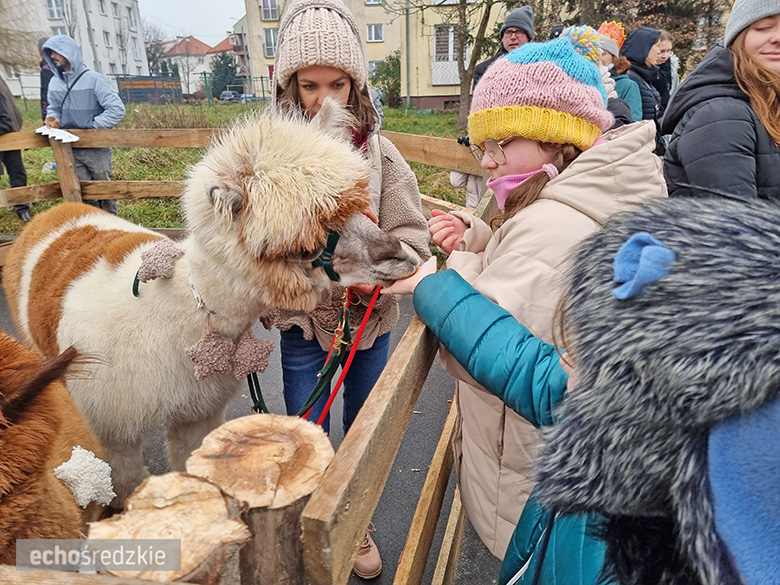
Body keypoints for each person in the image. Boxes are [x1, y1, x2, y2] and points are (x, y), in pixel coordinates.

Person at [385, 196, 780, 585]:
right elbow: (521, 361)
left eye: (589, 351)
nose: (564, 359)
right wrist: (433, 288)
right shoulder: (612, 406)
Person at [422, 27, 667, 561]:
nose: (487, 161)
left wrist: (453, 269)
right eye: (481, 146)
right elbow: (534, 278)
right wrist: (481, 240)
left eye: (500, 144)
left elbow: (480, 348)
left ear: (557, 137)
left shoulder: (553, 226)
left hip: (523, 482)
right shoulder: (586, 195)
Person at [270, 0, 431, 577]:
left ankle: (356, 521)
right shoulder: (274, 160)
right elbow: (251, 247)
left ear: (356, 84)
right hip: (303, 322)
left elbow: (412, 239)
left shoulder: (381, 157)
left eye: (337, 83)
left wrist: (377, 279)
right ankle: (312, 524)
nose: (324, 99)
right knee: (307, 430)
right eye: (309, 85)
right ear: (290, 86)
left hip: (368, 324)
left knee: (364, 429)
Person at [662, 0, 780, 200]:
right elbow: (735, 216)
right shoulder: (721, 116)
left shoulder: (769, 104)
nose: (778, 37)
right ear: (737, 38)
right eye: (763, 27)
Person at [42, 35, 125, 214]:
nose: (52, 56)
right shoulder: (55, 82)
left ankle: (112, 221)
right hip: (69, 148)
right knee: (82, 191)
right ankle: (92, 222)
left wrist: (93, 126)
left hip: (96, 148)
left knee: (105, 190)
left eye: (56, 52)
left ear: (68, 52)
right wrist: (52, 118)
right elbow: (54, 107)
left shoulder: (94, 79)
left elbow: (117, 109)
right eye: (50, 53)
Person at [621, 27, 666, 153]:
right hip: (640, 150)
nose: (659, 51)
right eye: (656, 46)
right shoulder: (632, 78)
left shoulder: (646, 76)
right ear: (643, 48)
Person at [472, 6, 534, 89]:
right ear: (502, 38)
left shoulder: (540, 67)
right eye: (508, 32)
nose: (513, 37)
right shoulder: (484, 70)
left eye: (518, 32)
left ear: (528, 37)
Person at [0, 74, 31, 222]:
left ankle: (22, 207)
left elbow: (6, 119)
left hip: (8, 134)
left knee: (17, 172)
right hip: (7, 130)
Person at [598, 21, 643, 122]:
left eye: (603, 54)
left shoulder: (628, 86)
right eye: (594, 53)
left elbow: (633, 120)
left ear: (614, 58)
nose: (598, 58)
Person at [38, 37, 54, 122]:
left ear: (40, 51)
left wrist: (46, 117)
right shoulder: (62, 65)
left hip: (53, 116)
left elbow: (46, 96)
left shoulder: (47, 69)